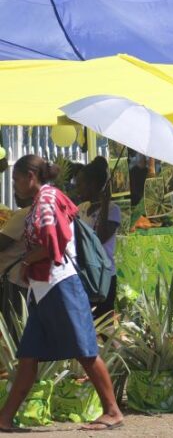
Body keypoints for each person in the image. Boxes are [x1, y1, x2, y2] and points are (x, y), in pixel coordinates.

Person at [0, 155, 123, 431]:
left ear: (31, 177)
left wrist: (27, 261)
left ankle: (113, 411)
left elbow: (56, 243)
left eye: (17, 179)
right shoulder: (45, 200)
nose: (15, 185)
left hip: (60, 286)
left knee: (85, 350)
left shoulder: (47, 200)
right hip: (44, 291)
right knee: (29, 355)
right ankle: (5, 417)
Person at [75, 157, 122, 321]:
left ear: (93, 185)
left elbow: (100, 237)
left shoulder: (112, 210)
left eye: (80, 184)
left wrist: (105, 201)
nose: (76, 188)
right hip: (83, 273)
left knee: (104, 325)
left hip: (103, 275)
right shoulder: (81, 209)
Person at [0, 195, 32, 326]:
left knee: (13, 327)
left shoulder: (24, 214)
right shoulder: (39, 211)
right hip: (26, 281)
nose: (14, 192)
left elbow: (2, 243)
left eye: (17, 181)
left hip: (15, 281)